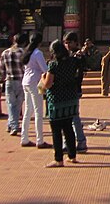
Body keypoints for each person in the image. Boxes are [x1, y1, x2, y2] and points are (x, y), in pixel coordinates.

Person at [40, 39, 81, 168]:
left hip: (57, 99)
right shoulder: (72, 61)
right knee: (69, 128)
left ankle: (58, 159)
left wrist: (43, 78)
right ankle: (72, 155)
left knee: (56, 131)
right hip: (70, 98)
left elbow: (48, 84)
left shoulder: (53, 64)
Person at [20, 32, 51, 149]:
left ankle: (24, 137)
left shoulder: (27, 52)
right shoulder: (38, 53)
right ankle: (40, 140)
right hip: (35, 82)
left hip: (26, 81)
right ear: (39, 42)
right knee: (38, 111)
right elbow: (45, 69)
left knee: (28, 110)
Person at [0, 32, 28, 135]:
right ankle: (14, 125)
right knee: (18, 104)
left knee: (10, 104)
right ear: (24, 42)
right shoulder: (23, 53)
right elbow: (25, 68)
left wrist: (1, 78)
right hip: (20, 80)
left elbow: (1, 69)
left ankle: (10, 124)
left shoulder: (5, 52)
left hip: (9, 80)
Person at [63, 31, 88, 153]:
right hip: (69, 89)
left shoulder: (77, 56)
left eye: (69, 42)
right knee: (71, 116)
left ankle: (79, 141)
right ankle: (75, 141)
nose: (67, 45)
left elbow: (78, 72)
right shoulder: (68, 55)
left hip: (73, 88)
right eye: (65, 43)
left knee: (72, 116)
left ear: (74, 42)